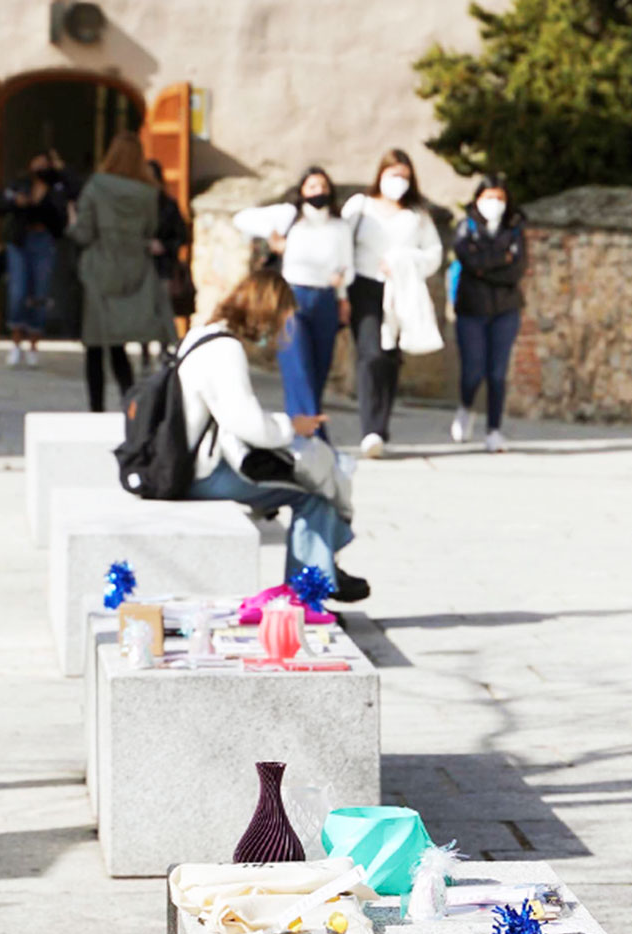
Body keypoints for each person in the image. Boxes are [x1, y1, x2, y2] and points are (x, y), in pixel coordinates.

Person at [177, 270, 371, 602]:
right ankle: (307, 596)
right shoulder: (225, 349)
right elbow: (247, 423)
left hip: (192, 462)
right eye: (283, 317)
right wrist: (292, 428)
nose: (282, 328)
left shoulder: (202, 336)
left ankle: (322, 574)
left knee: (312, 482)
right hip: (203, 474)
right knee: (314, 496)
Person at [342, 149, 443, 459]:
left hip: (401, 289)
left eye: (404, 177)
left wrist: (403, 262)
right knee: (370, 354)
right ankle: (369, 428)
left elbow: (433, 253)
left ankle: (380, 427)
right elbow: (341, 243)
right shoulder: (360, 207)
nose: (398, 182)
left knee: (389, 358)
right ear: (380, 175)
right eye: (393, 175)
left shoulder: (417, 214)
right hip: (364, 285)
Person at [233, 167, 354, 423]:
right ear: (301, 191)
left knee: (319, 371)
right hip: (291, 298)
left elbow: (347, 265)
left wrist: (342, 293)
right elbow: (240, 219)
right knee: (297, 367)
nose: (318, 191)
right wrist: (271, 236)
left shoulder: (339, 226)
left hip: (325, 299)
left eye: (323, 186)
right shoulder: (289, 217)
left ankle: (303, 431)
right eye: (312, 186)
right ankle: (313, 429)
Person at [68, 133, 175, 411]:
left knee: (95, 344)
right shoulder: (148, 193)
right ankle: (130, 406)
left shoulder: (96, 186)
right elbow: (150, 230)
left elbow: (84, 233)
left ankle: (96, 409)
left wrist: (71, 222)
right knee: (118, 345)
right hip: (135, 269)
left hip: (100, 269)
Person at [450, 175, 528, 454]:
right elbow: (468, 261)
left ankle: (494, 429)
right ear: (478, 200)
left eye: (500, 198)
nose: (494, 204)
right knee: (473, 370)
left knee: (497, 373)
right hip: (472, 308)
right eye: (489, 198)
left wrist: (486, 267)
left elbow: (517, 269)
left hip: (505, 310)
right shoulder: (466, 227)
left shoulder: (516, 228)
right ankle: (466, 406)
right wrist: (500, 260)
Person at [0, 151, 69, 367]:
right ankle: (15, 343)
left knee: (39, 293)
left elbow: (62, 218)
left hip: (44, 241)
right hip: (20, 241)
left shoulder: (57, 188)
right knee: (18, 290)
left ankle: (34, 344)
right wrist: (16, 202)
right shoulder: (19, 184)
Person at [145, 158, 196, 366]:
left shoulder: (169, 206)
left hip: (163, 265)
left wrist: (164, 246)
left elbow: (182, 236)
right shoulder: (136, 206)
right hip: (141, 264)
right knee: (145, 309)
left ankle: (168, 348)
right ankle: (145, 352)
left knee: (163, 306)